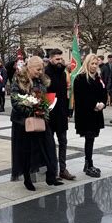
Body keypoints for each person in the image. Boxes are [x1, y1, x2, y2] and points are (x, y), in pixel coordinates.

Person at [10, 56, 63, 191]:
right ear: (30, 67)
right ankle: (27, 179)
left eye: (42, 69)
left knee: (49, 146)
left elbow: (43, 97)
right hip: (23, 122)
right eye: (38, 69)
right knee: (26, 151)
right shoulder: (18, 79)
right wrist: (31, 108)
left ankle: (51, 176)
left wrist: (43, 106)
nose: (40, 72)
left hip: (40, 119)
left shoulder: (41, 80)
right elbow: (15, 101)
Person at [73, 54, 107, 177]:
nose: (94, 66)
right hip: (86, 114)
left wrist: (103, 103)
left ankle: (88, 163)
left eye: (95, 64)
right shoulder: (80, 78)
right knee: (89, 138)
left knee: (92, 138)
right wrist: (94, 104)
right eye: (91, 64)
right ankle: (89, 163)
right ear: (87, 64)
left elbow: (104, 92)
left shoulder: (98, 78)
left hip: (97, 113)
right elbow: (81, 98)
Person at [45, 48, 76, 180]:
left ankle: (63, 170)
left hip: (61, 114)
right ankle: (52, 170)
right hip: (50, 114)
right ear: (51, 59)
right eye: (57, 59)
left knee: (63, 142)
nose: (59, 61)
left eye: (60, 59)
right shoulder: (46, 73)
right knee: (50, 144)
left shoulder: (63, 73)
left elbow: (65, 94)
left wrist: (69, 111)